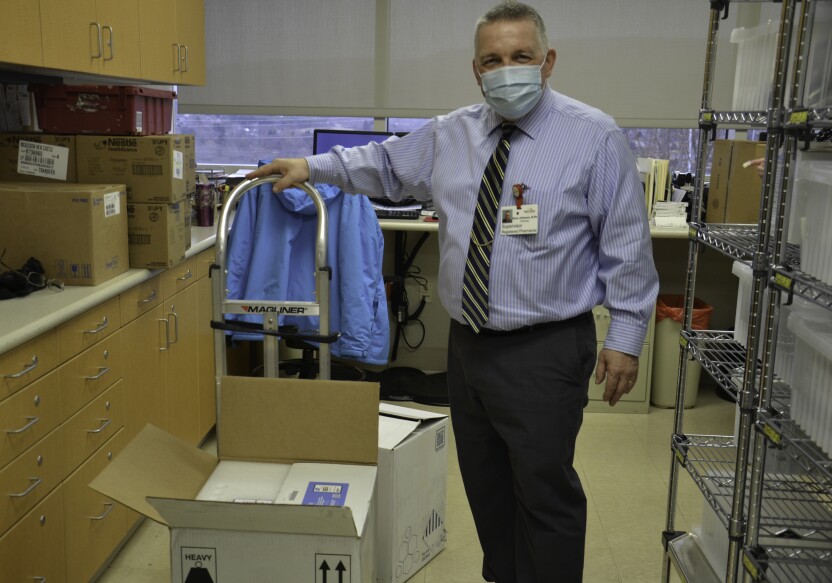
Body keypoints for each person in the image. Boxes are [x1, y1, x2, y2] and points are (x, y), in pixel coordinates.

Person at [246, 3, 658, 581]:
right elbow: (382, 166)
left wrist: (627, 336)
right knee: (486, 490)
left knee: (544, 493)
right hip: (468, 347)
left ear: (548, 62)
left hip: (546, 348)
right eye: (493, 60)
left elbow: (626, 247)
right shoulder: (453, 134)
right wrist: (310, 167)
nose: (506, 69)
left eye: (521, 57)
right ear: (476, 69)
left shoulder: (594, 137)